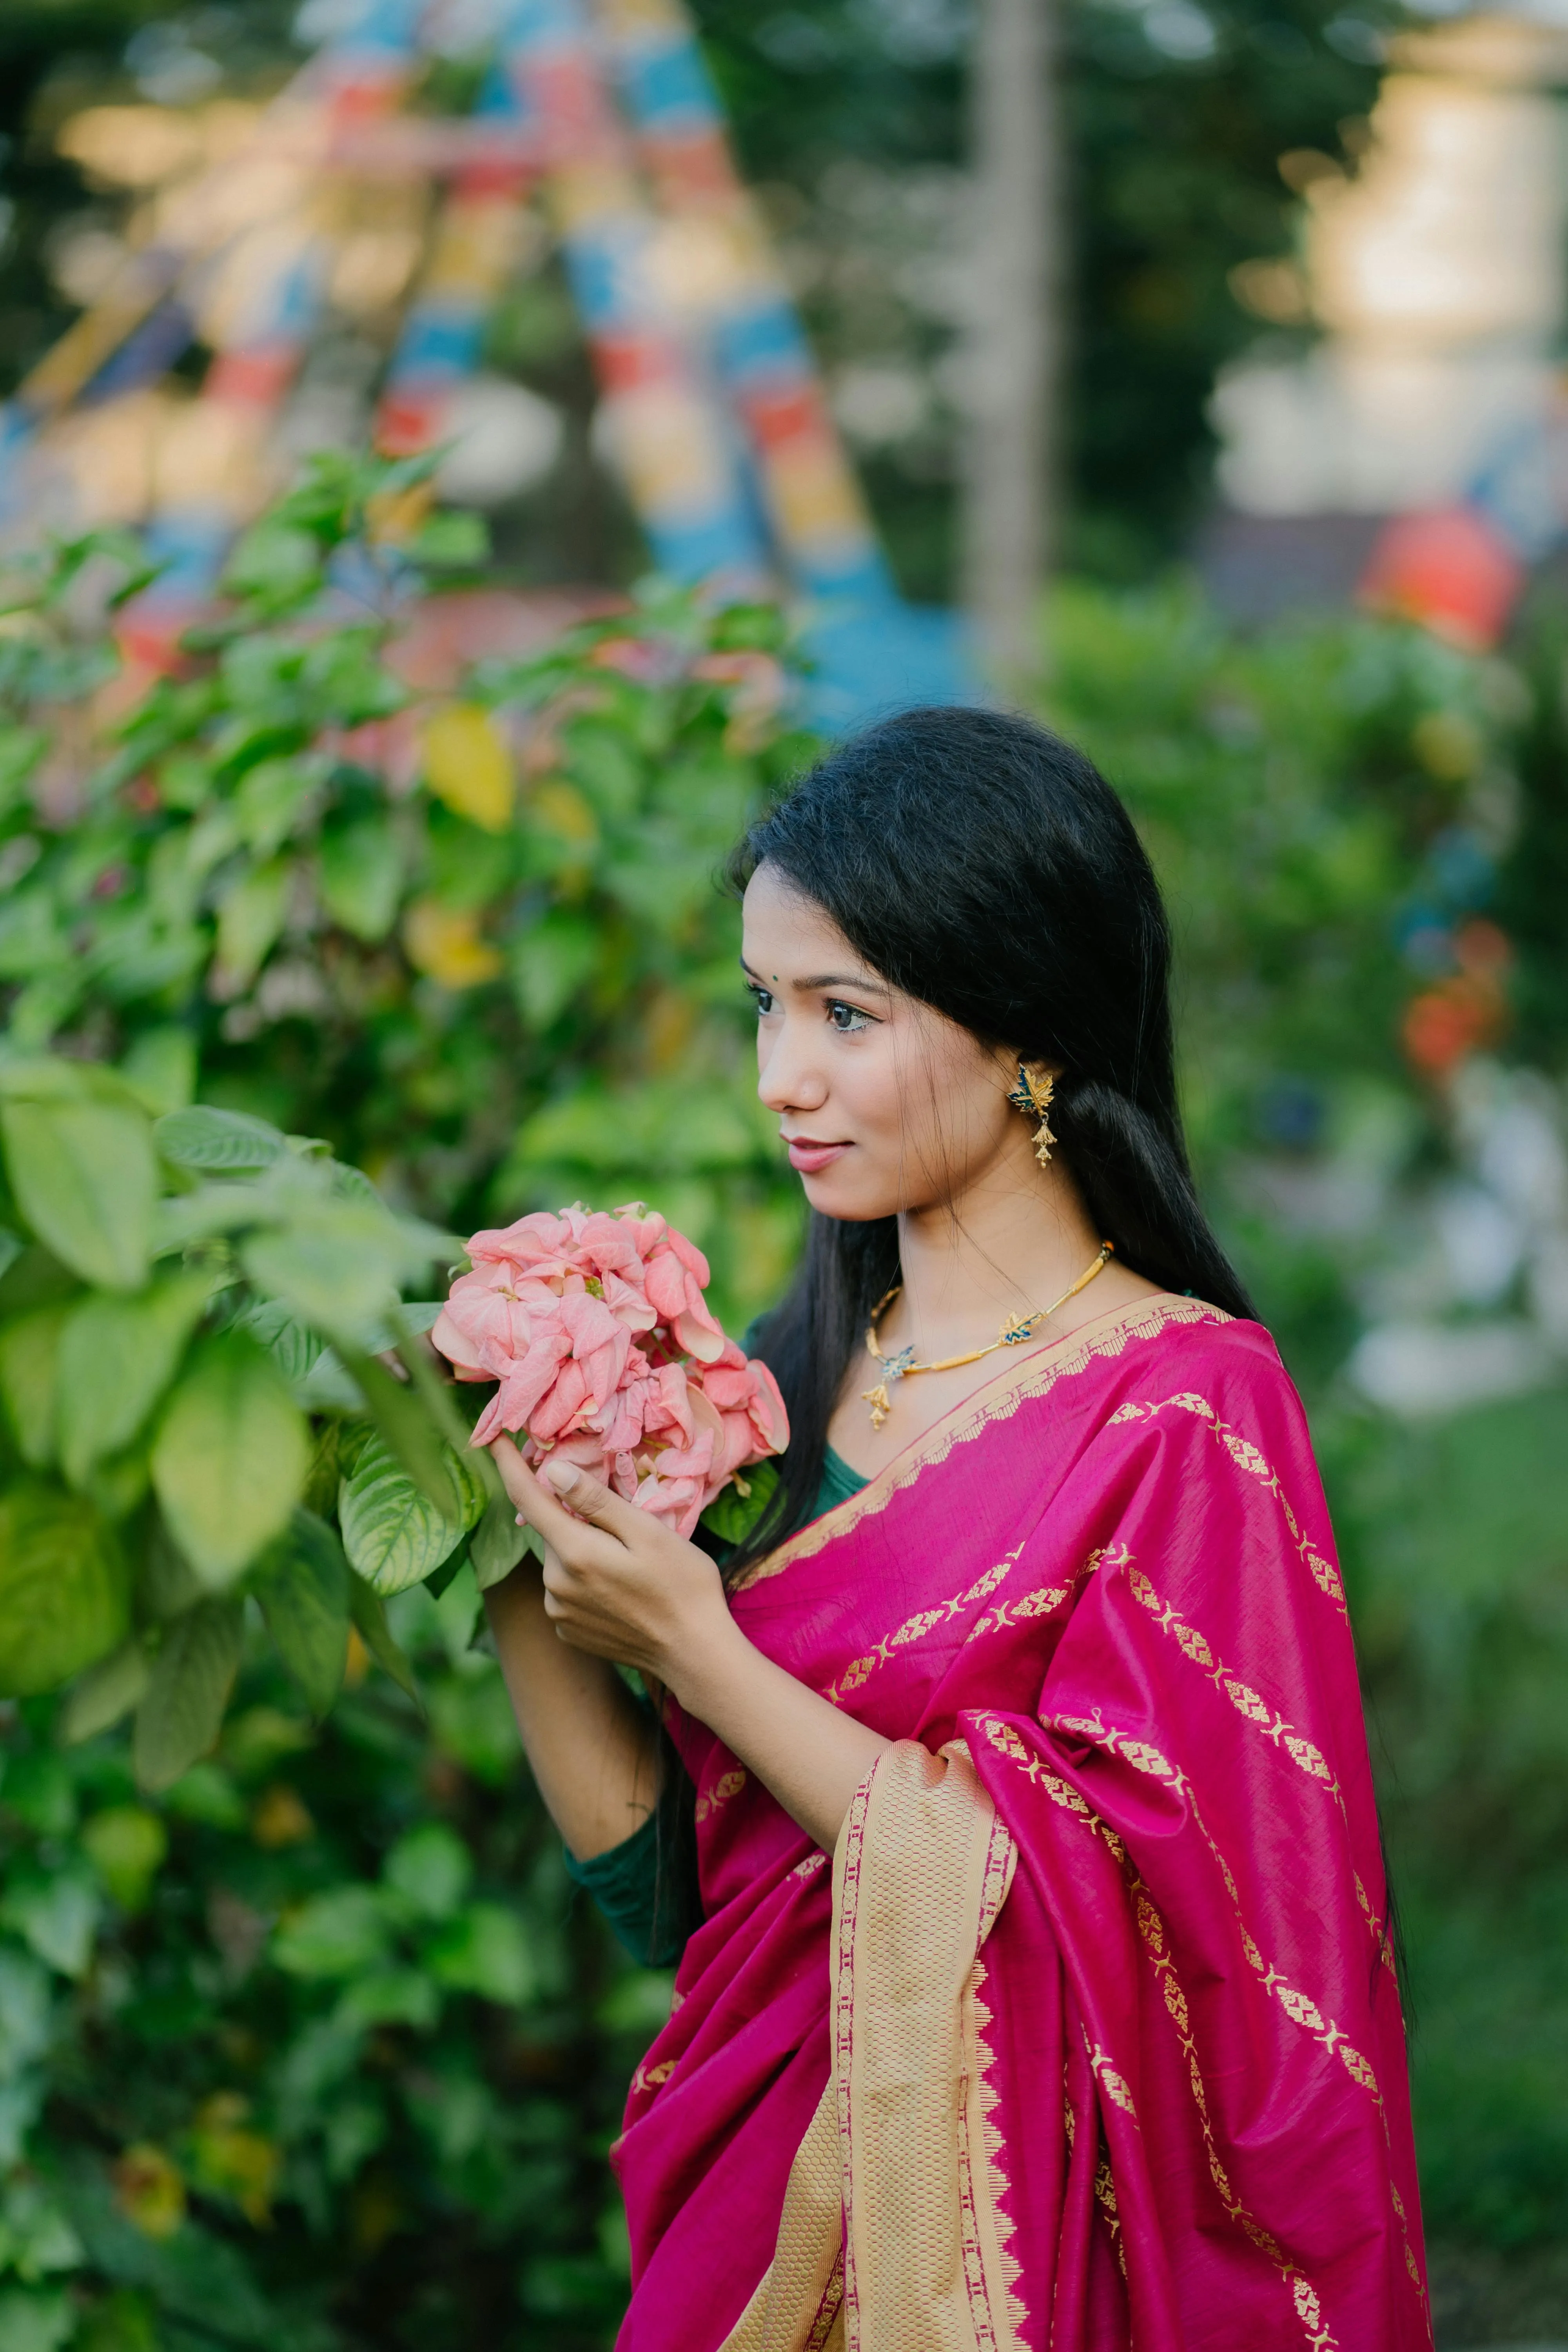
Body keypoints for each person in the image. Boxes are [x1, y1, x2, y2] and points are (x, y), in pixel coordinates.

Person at [482, 706, 1430, 2351]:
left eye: (847, 1014)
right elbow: (679, 1911)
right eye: (763, 1007)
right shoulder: (765, 1394)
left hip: (1045, 2270)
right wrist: (503, 1524)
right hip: (761, 2239)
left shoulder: (1185, 1411)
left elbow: (1177, 1948)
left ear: (1025, 1032)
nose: (783, 1077)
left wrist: (701, 1650)